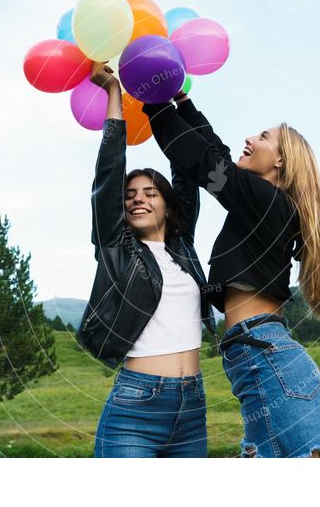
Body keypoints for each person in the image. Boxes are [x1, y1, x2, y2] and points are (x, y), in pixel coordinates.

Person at [142, 90, 320, 458]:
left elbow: (205, 162)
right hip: (268, 356)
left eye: (263, 137)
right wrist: (185, 105)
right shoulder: (265, 203)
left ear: (281, 160)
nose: (250, 138)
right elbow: (217, 155)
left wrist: (154, 101)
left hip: (265, 357)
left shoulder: (265, 199)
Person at [76, 62, 218, 458]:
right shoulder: (116, 247)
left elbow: (187, 174)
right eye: (131, 194)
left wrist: (169, 97)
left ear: (170, 208)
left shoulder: (182, 246)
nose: (138, 197)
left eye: (151, 192)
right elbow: (108, 174)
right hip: (136, 406)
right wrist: (114, 97)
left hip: (193, 405)